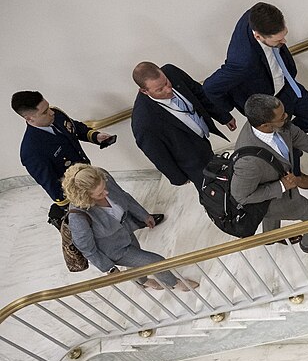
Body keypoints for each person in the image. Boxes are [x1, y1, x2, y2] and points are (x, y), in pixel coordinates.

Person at [231, 94, 308, 257]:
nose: (287, 116)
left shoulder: (277, 125)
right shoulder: (248, 163)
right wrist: (282, 186)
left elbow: (297, 136)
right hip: (276, 200)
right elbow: (241, 197)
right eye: (282, 116)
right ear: (265, 125)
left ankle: (271, 237)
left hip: (277, 187)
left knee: (270, 217)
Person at [61, 164, 196, 291]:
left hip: (126, 232)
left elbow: (124, 196)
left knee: (136, 262)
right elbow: (88, 250)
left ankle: (141, 281)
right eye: (99, 194)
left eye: (104, 187)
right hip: (115, 250)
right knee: (156, 261)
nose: (106, 193)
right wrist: (109, 268)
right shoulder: (78, 218)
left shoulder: (102, 177)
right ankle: (174, 283)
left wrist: (143, 215)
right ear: (86, 197)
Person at [204, 2, 308, 134]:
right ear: (258, 36)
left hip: (287, 85)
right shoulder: (243, 61)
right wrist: (229, 108)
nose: (284, 41)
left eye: (284, 35)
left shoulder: (256, 14)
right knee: (284, 142)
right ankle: (285, 142)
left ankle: (290, 138)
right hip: (268, 103)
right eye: (278, 40)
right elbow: (210, 87)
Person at [12, 91, 118, 228]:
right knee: (103, 223)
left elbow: (73, 127)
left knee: (115, 200)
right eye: (44, 112)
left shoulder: (56, 115)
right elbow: (50, 184)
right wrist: (71, 204)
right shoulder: (32, 151)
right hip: (79, 192)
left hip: (88, 173)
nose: (51, 112)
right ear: (29, 118)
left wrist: (95, 136)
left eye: (48, 107)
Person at [131, 62, 237, 190]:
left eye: (166, 82)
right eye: (159, 90)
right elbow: (159, 156)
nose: (168, 89)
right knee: (212, 192)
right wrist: (179, 178)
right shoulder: (143, 122)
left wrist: (223, 116)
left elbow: (199, 93)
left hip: (202, 141)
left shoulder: (171, 72)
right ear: (144, 91)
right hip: (191, 161)